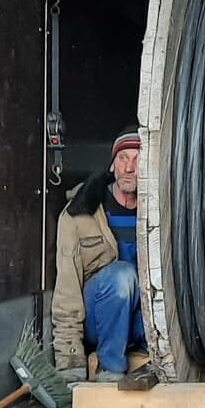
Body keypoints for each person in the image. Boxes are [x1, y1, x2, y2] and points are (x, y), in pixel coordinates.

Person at [53, 127, 147, 384]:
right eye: (123, 158)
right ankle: (110, 370)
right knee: (122, 276)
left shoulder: (160, 213)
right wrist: (70, 358)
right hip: (98, 320)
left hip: (141, 321)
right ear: (113, 165)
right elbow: (67, 289)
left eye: (138, 159)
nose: (129, 168)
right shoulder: (79, 214)